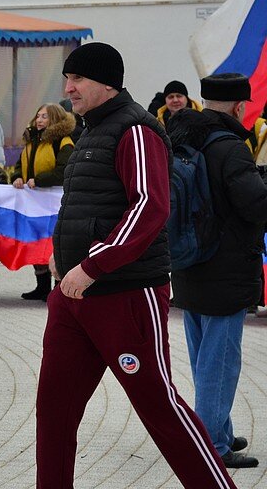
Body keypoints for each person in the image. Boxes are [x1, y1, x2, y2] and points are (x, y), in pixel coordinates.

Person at [36, 42, 235, 488]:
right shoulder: (90, 130)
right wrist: (62, 254)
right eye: (67, 78)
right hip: (73, 298)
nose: (68, 88)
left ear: (107, 83)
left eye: (78, 79)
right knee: (54, 410)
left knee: (158, 407)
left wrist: (92, 265)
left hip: (125, 294)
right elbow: (85, 205)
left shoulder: (136, 130)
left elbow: (150, 207)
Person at [167, 74, 267, 469]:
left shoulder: (178, 136)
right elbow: (255, 207)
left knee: (202, 358)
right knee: (220, 362)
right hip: (224, 267)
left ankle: (217, 432)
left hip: (188, 262)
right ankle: (211, 446)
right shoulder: (230, 147)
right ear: (240, 107)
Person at [12, 103, 76, 302]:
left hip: (54, 203)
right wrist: (16, 177)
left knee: (54, 244)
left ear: (55, 120)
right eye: (38, 116)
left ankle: (58, 286)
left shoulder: (63, 142)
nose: (39, 120)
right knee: (37, 240)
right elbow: (19, 164)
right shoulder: (31, 141)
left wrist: (39, 180)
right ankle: (41, 286)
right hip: (34, 203)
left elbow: (64, 170)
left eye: (44, 117)